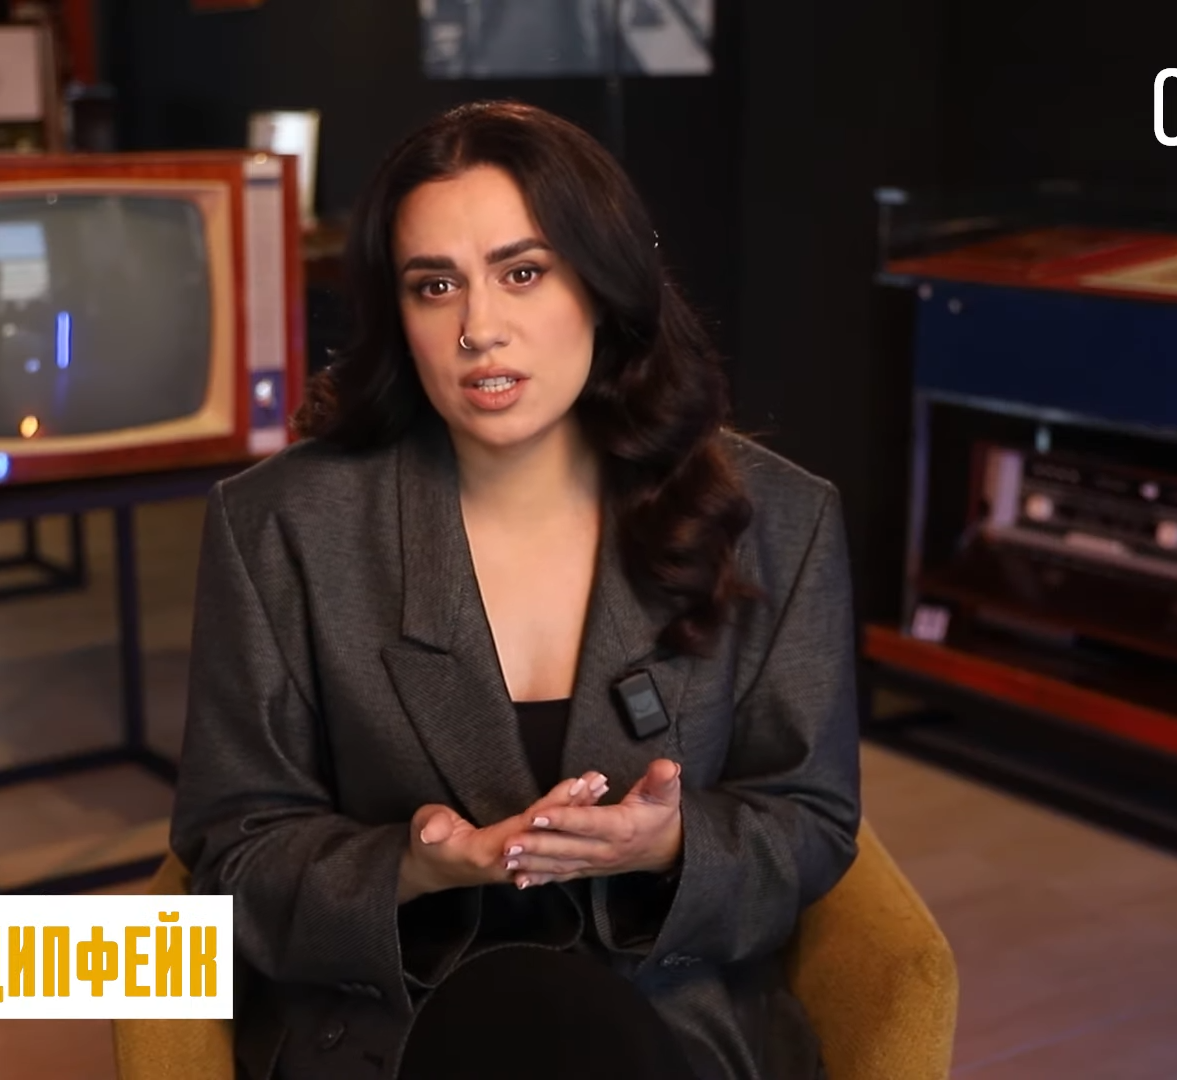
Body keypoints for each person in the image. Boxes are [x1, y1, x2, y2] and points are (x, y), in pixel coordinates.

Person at [169, 100, 862, 1080]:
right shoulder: (280, 526)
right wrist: (410, 868)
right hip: (396, 1020)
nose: (479, 329)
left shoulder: (779, 518)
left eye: (523, 272)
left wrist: (670, 846)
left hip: (663, 1018)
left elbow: (812, 823)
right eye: (434, 286)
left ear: (603, 286)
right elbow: (231, 859)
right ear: (397, 315)